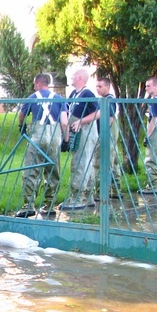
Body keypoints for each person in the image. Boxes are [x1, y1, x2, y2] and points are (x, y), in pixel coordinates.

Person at [16, 73, 67, 217]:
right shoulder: (58, 99)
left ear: (38, 84)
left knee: (31, 171)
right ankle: (49, 205)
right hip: (54, 139)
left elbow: (21, 115)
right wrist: (66, 139)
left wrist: (22, 126)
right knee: (52, 172)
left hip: (37, 138)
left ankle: (28, 205)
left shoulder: (32, 98)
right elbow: (64, 121)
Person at [59, 69, 99, 209]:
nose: (72, 77)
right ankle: (87, 196)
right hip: (77, 132)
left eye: (74, 75)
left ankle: (79, 196)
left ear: (80, 77)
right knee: (82, 161)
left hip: (86, 132)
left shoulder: (87, 94)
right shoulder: (74, 94)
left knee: (81, 163)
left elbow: (98, 112)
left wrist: (81, 121)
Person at [92, 77, 123, 199]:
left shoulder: (108, 100)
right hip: (109, 133)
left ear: (107, 87)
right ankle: (116, 189)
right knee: (113, 161)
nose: (97, 89)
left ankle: (102, 191)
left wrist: (102, 133)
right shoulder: (103, 100)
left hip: (107, 133)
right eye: (96, 86)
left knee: (102, 161)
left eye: (100, 86)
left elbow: (109, 118)